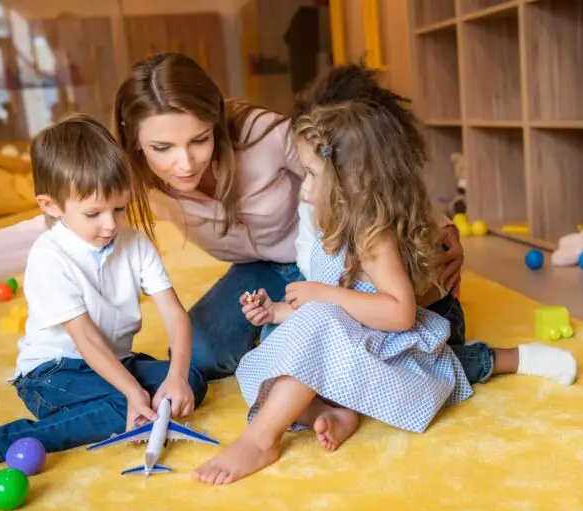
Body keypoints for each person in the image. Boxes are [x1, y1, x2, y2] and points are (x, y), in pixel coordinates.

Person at [0, 53, 466, 382]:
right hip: (259, 272)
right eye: (162, 147)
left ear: (216, 123)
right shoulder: (129, 178)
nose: (184, 164)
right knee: (199, 359)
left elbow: (359, 174)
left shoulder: (266, 137)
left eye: (199, 140)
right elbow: (51, 229)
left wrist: (440, 226)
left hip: (333, 264)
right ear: (135, 140)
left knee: (305, 353)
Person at [193, 100, 474, 486]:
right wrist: (274, 312)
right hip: (351, 341)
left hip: (386, 353)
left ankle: (261, 439)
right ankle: (335, 412)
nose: (303, 186)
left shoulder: (374, 236)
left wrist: (322, 295)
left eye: (310, 174)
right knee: (273, 358)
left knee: (310, 335)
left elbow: (399, 313)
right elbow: (331, 311)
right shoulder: (338, 223)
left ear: (351, 180)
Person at [277, 63, 580, 386]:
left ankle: (507, 358)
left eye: (312, 173)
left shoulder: (385, 208)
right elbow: (315, 271)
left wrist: (442, 237)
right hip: (357, 318)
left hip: (425, 319)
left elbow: (403, 306)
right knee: (295, 344)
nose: (305, 187)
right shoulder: (316, 201)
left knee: (412, 371)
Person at [0, 114, 207, 472]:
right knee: (118, 405)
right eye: (93, 213)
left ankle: (122, 399)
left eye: (119, 208)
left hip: (111, 362)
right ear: (51, 206)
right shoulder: (49, 256)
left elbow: (174, 313)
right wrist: (133, 394)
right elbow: (85, 340)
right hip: (50, 375)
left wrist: (176, 374)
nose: (110, 224)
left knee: (192, 380)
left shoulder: (135, 243)